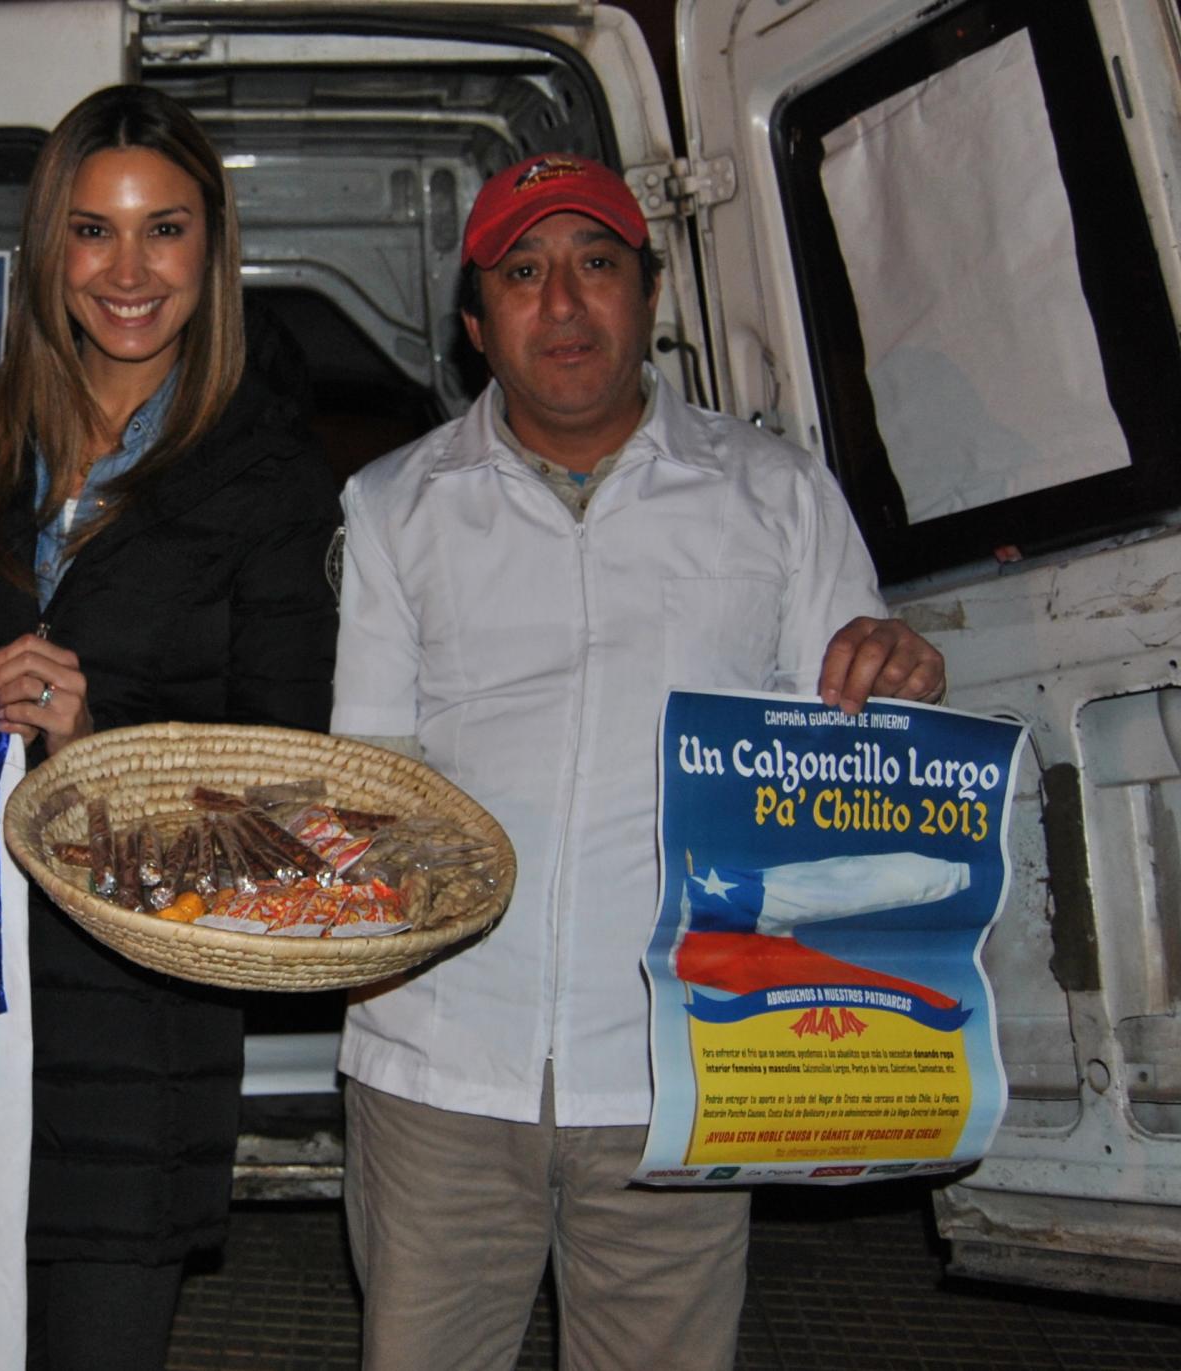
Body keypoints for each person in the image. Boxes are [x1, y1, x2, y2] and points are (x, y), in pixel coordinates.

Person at [330, 152, 946, 1371]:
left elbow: (857, 765)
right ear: (475, 323)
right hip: (436, 1059)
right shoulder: (394, 504)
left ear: (648, 295)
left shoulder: (773, 492)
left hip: (683, 1062)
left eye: (595, 264)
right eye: (522, 272)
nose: (562, 304)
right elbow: (372, 780)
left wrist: (902, 679)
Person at [0, 84, 341, 1370]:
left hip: (132, 1022)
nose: (128, 272)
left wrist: (99, 738)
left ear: (214, 248)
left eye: (165, 230)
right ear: (48, 252)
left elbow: (283, 798)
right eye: (92, 231)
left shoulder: (268, 474)